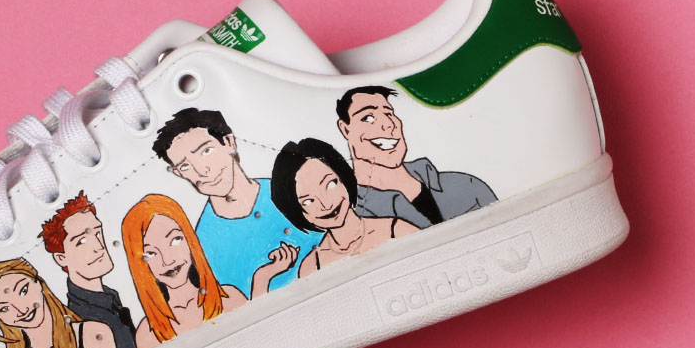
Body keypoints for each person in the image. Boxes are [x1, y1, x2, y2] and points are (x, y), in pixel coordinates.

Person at [152, 107, 319, 295]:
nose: (202, 171)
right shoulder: (202, 245)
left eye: (206, 151)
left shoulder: (295, 192)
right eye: (185, 166)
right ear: (177, 173)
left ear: (229, 142)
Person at [122, 193, 270, 348]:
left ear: (189, 239)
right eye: (151, 253)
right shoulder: (148, 332)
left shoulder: (228, 298)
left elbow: (261, 342)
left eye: (175, 240)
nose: (167, 260)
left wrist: (261, 280)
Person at [336, 86, 496, 227]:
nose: (388, 124)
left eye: (389, 114)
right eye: (368, 118)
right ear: (345, 129)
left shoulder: (466, 186)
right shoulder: (351, 218)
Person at [271, 139, 416, 276]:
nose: (325, 204)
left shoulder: (396, 229)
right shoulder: (312, 266)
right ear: (300, 213)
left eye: (330, 184)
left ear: (344, 178)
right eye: (308, 201)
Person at [39, 192, 137, 348]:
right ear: (61, 258)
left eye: (97, 233)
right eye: (82, 241)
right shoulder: (82, 318)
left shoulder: (110, 297)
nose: (99, 247)